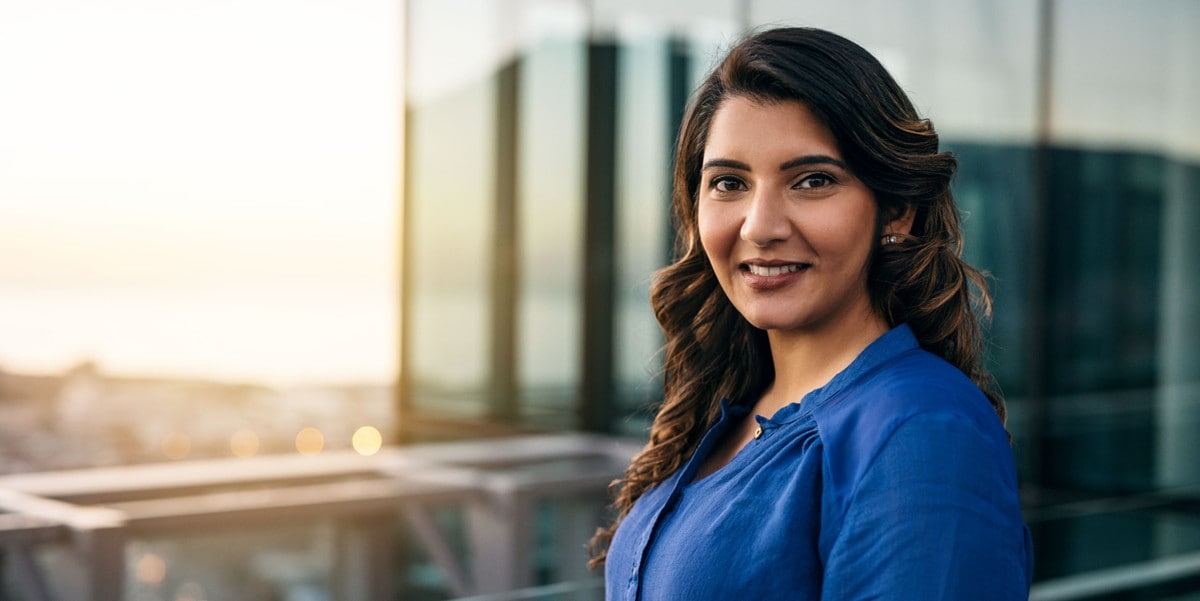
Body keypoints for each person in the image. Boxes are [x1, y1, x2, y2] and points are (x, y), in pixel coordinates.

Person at [589, 27, 1032, 600]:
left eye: (813, 181)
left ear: (896, 210)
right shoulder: (732, 410)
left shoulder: (921, 431)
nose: (760, 226)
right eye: (729, 182)